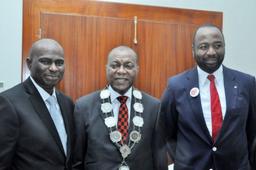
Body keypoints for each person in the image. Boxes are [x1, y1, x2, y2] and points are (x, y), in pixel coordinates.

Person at [161, 24, 256, 170]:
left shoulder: (246, 83)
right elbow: (167, 133)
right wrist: (186, 160)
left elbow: (252, 132)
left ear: (224, 46)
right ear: (193, 50)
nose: (211, 52)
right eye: (204, 46)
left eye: (217, 45)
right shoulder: (176, 86)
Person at [72, 45, 167, 170]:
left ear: (137, 69)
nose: (121, 71)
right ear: (106, 68)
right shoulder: (84, 106)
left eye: (128, 66)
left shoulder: (154, 107)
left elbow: (159, 157)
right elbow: (77, 161)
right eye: (115, 65)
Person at [0, 38, 74, 170]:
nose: (53, 68)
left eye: (59, 63)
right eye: (45, 62)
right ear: (29, 64)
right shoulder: (9, 102)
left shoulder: (67, 103)